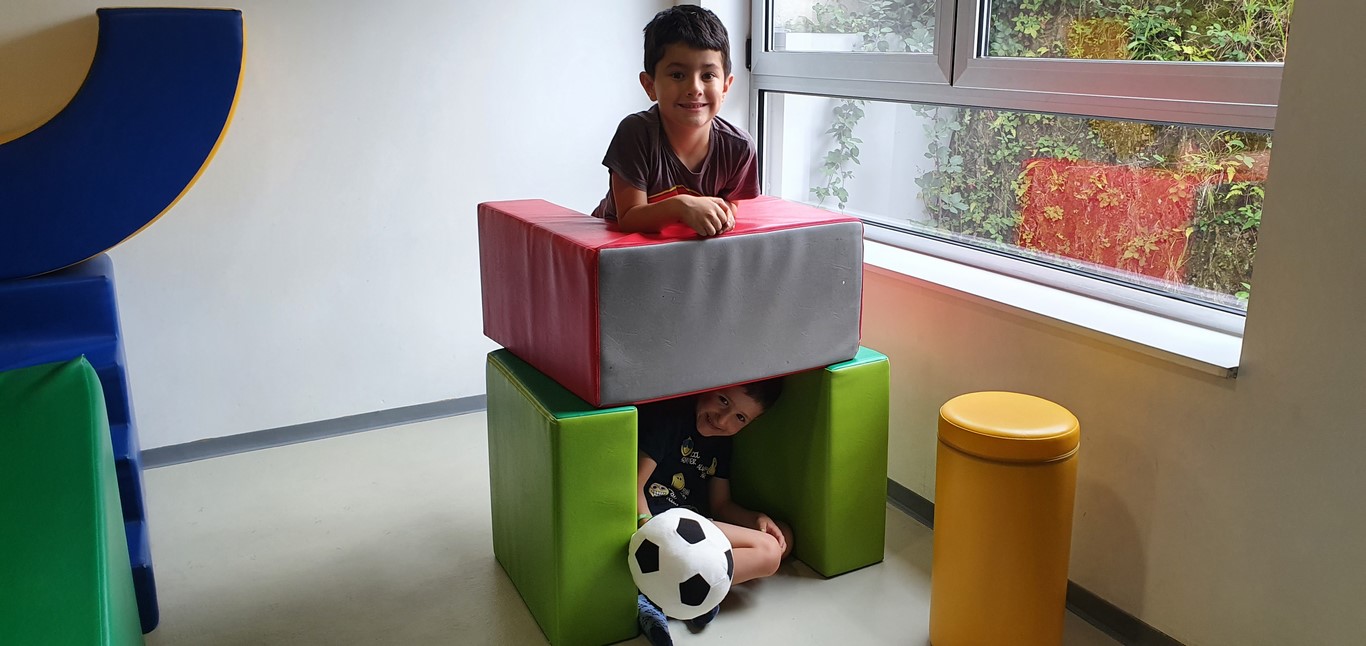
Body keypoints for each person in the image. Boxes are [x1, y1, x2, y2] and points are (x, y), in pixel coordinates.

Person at [634, 380, 792, 646]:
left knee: (782, 536)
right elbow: (635, 484)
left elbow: (721, 505)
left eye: (740, 417)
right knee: (768, 552)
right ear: (709, 386)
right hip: (660, 522)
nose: (722, 419)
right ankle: (667, 598)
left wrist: (756, 519)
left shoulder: (722, 444)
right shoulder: (670, 419)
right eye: (723, 400)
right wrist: (647, 527)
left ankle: (687, 593)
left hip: (696, 526)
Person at [590, 5, 760, 238]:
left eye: (708, 75)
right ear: (650, 86)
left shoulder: (739, 147)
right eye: (678, 75)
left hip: (676, 251)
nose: (694, 88)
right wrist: (681, 206)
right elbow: (629, 218)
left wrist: (723, 216)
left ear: (725, 87)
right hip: (611, 247)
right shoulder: (635, 133)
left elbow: (731, 205)